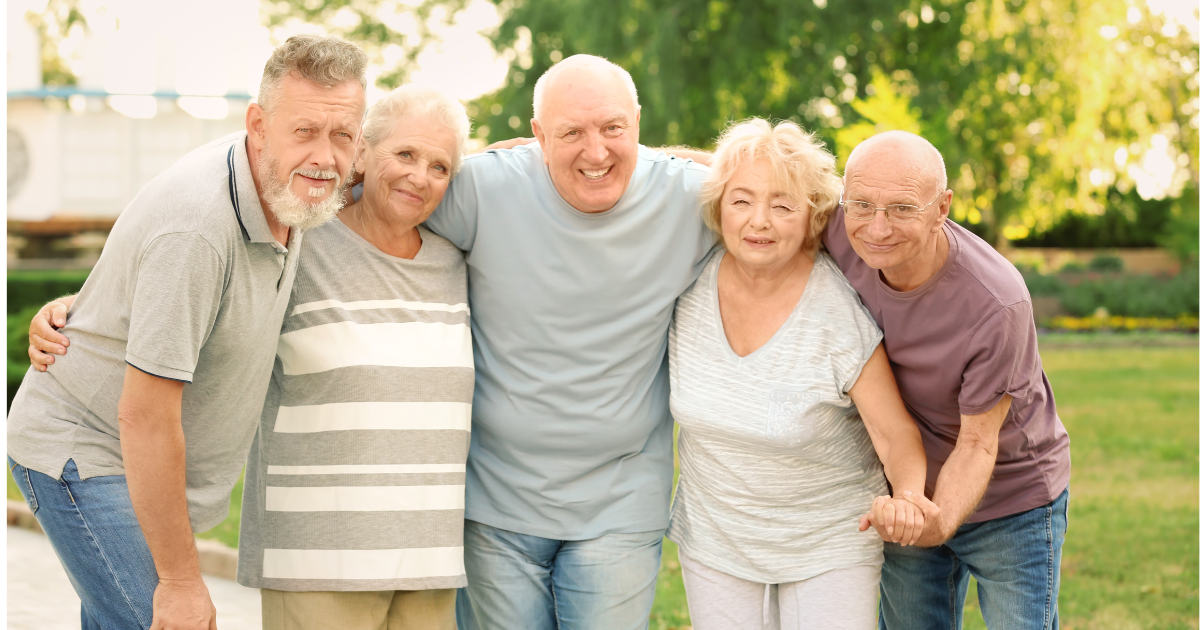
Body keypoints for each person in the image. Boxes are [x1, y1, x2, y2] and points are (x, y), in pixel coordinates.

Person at [10, 34, 368, 630]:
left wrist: (519, 162)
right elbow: (144, 416)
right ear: (259, 125)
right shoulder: (199, 229)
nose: (325, 156)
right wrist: (180, 581)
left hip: (129, 459)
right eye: (304, 131)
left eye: (342, 136)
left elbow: (412, 156)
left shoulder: (301, 182)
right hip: (89, 452)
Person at [423, 54, 716, 629]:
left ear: (637, 122)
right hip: (494, 502)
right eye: (571, 133)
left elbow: (798, 196)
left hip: (621, 501)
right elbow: (378, 195)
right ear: (536, 135)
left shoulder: (694, 199)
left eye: (613, 129)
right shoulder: (483, 189)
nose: (597, 152)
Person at [666, 118, 932, 630]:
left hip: (829, 543)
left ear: (813, 217)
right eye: (741, 201)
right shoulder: (688, 286)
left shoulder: (835, 311)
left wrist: (910, 497)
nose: (758, 221)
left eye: (783, 205)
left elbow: (894, 432)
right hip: (716, 539)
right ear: (719, 209)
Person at [237, 84, 473, 630]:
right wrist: (77, 305)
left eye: (440, 166)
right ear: (363, 153)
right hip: (319, 561)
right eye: (406, 154)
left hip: (429, 564)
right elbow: (200, 295)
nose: (420, 176)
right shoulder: (298, 240)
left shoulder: (456, 265)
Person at [823, 130, 1071, 629]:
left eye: (902, 209)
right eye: (862, 204)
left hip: (1012, 499)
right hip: (907, 486)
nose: (877, 227)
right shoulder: (841, 227)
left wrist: (939, 518)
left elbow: (979, 443)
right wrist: (647, 158)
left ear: (942, 208)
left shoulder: (995, 302)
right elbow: (757, 173)